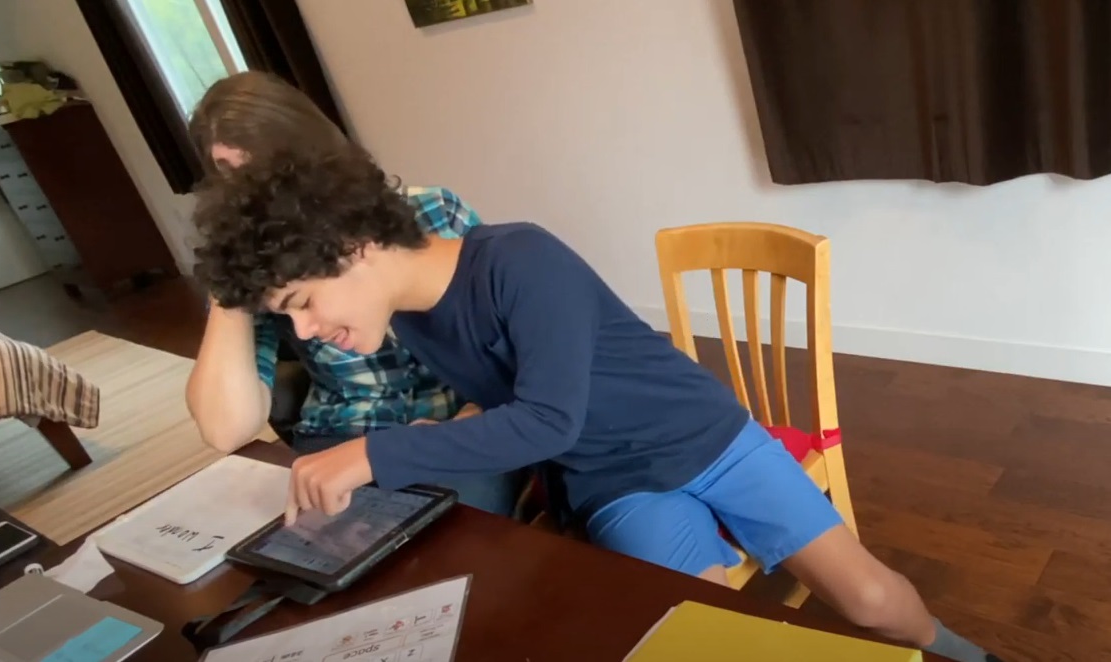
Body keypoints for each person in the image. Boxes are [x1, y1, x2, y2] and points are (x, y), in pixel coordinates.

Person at [190, 146, 1002, 662]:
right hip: (613, 482)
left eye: (302, 302)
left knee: (872, 602)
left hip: (706, 437)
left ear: (355, 246)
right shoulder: (409, 316)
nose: (306, 330)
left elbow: (549, 419)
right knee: (696, 637)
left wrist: (374, 451)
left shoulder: (519, 257)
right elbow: (522, 412)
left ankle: (968, 655)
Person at [183, 72, 525, 517]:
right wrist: (231, 270)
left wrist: (471, 418)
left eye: (267, 167)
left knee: (453, 539)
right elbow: (226, 429)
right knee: (308, 545)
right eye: (234, 178)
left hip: (450, 428)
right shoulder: (264, 271)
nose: (259, 192)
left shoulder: (433, 213)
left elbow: (514, 346)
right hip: (340, 433)